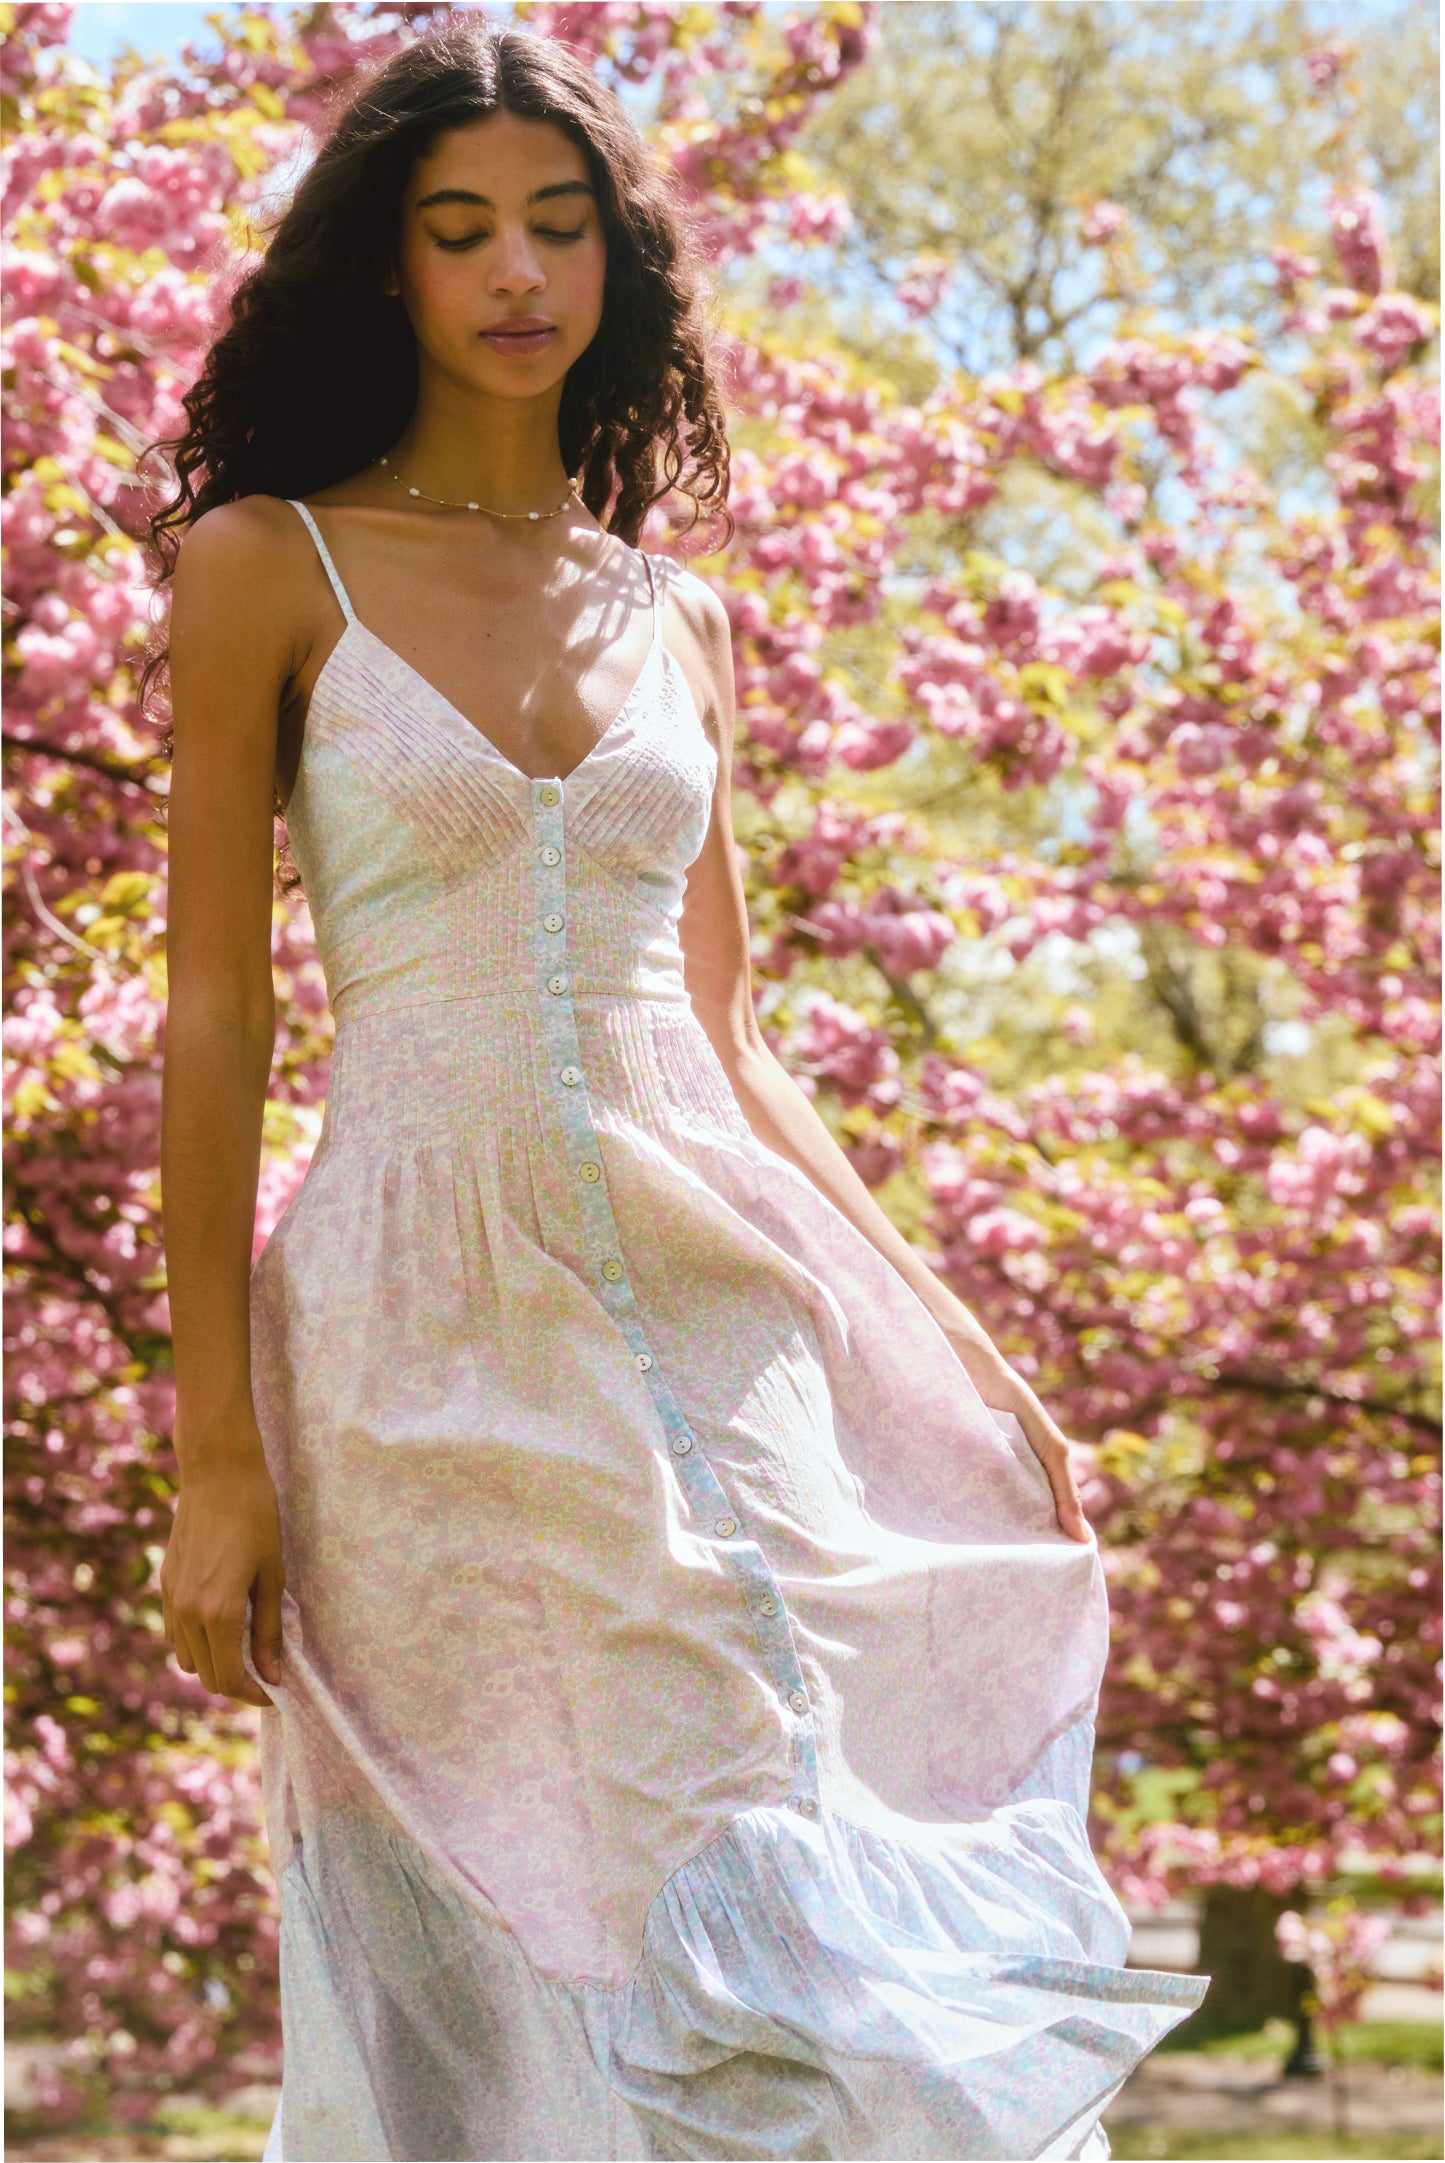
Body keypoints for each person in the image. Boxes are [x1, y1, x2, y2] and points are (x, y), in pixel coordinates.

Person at [154, 21, 1207, 2162]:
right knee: (526, 1867)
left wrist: (963, 1341)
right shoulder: (267, 561)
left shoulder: (679, 617)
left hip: (711, 1280)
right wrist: (208, 1442)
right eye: (462, 230)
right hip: (420, 1308)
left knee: (772, 1794)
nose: (518, 270)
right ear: (388, 266)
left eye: (560, 224)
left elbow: (736, 1032)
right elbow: (210, 1014)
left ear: (619, 263)